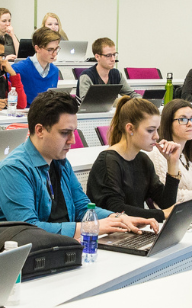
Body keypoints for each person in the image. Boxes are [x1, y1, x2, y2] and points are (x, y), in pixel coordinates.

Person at [0, 90, 151, 238]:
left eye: (74, 132)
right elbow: (27, 230)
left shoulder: (60, 161)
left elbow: (82, 208)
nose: (72, 140)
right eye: (65, 132)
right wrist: (89, 227)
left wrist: (117, 218)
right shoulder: (14, 170)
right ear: (40, 130)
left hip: (65, 247)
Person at [87, 97, 182, 222]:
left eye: (157, 130)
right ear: (130, 128)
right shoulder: (108, 162)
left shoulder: (143, 159)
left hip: (133, 231)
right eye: (150, 130)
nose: (157, 136)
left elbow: (166, 205)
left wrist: (172, 163)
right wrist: (160, 214)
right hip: (109, 235)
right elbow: (116, 209)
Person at [11, 27, 61, 102]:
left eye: (56, 49)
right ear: (37, 48)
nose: (54, 54)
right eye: (50, 50)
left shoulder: (54, 71)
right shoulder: (18, 69)